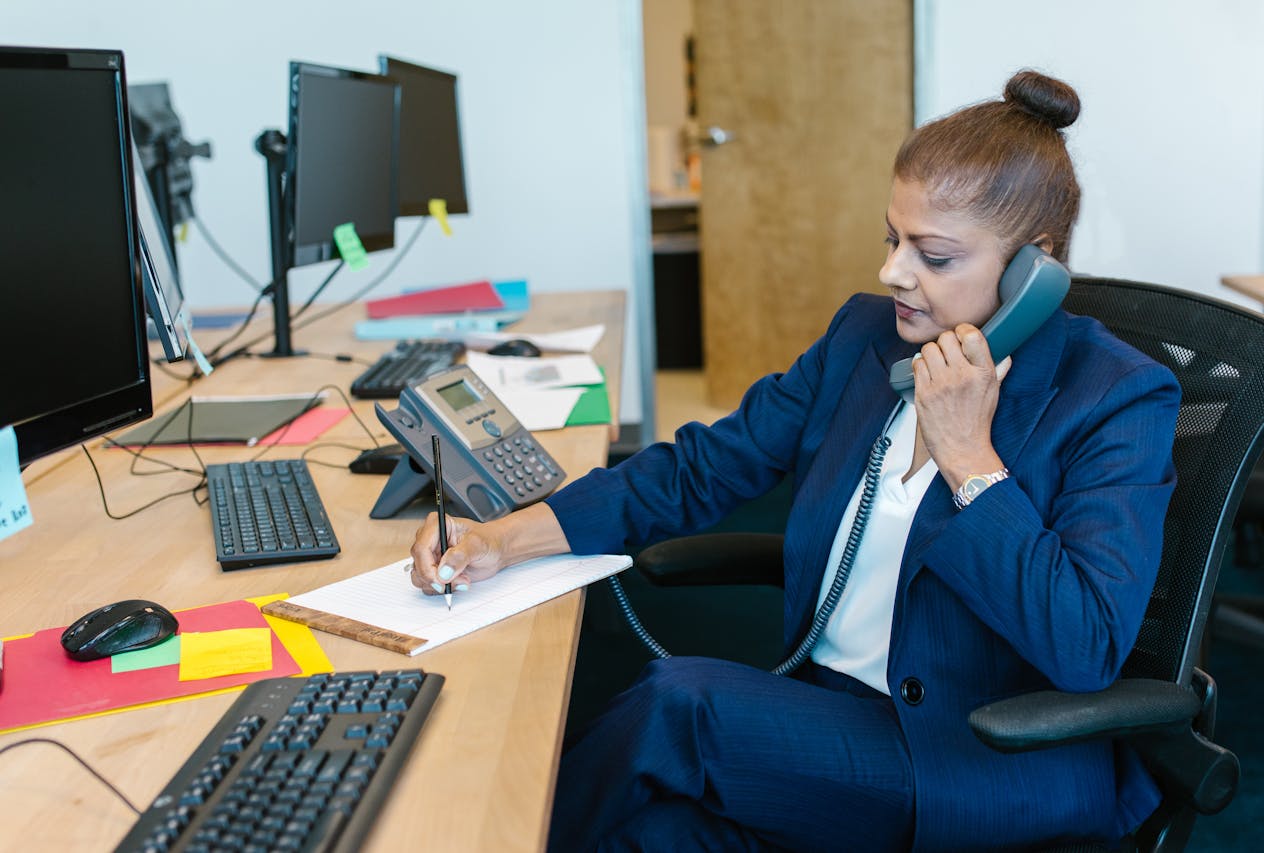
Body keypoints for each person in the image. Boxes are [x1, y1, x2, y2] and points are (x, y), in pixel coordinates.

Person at [409, 70, 1180, 852]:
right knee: (653, 831)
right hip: (828, 724)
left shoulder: (1114, 396)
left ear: (1033, 270)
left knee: (680, 706)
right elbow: (702, 467)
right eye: (892, 239)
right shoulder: (866, 338)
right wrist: (502, 538)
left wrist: (969, 458)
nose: (893, 274)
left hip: (976, 762)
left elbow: (1084, 646)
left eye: (934, 256)